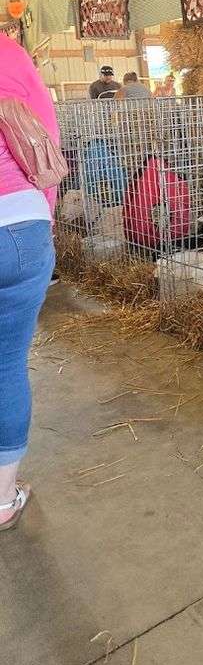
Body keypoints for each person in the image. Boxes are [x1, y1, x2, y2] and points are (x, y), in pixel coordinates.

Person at [0, 34, 59, 529]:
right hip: (21, 224)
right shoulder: (11, 54)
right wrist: (48, 218)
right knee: (6, 365)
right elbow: (46, 144)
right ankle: (2, 499)